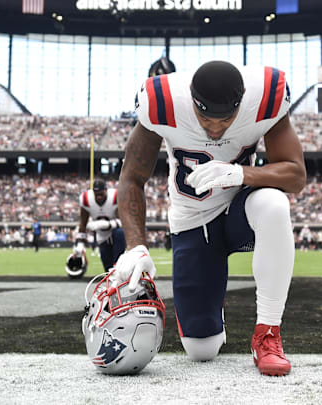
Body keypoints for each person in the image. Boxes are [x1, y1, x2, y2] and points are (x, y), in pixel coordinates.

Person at [116, 61, 305, 376]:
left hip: (241, 209)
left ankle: (268, 334)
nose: (215, 129)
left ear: (242, 101)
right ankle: (209, 304)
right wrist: (136, 245)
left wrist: (238, 173)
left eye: (226, 119)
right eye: (205, 118)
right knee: (201, 349)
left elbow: (296, 176)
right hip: (193, 221)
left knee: (274, 203)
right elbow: (131, 179)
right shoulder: (162, 100)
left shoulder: (266, 95)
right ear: (190, 101)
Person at [75, 179, 126, 271]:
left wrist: (106, 224)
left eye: (101, 194)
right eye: (96, 194)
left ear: (106, 190)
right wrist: (80, 244)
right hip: (102, 235)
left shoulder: (115, 196)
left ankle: (119, 266)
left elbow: (123, 222)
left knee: (120, 233)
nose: (99, 197)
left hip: (116, 233)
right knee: (107, 269)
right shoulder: (86, 199)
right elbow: (83, 223)